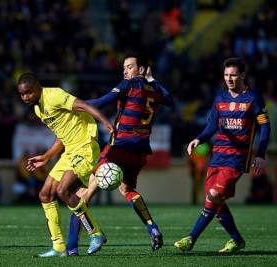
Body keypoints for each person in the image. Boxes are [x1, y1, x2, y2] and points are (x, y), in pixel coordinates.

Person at [66, 53, 174, 256]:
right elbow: (170, 100)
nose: (125, 71)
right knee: (128, 190)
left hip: (119, 148)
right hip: (140, 151)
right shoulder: (154, 89)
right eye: (124, 67)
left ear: (140, 70)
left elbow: (101, 101)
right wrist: (153, 79)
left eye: (130, 67)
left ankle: (73, 245)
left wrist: (70, 105)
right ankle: (152, 227)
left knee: (84, 194)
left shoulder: (129, 85)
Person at [174, 57, 270, 253]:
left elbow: (265, 127)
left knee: (214, 195)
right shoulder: (220, 99)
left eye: (233, 75)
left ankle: (191, 239)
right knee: (216, 202)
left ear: (242, 75)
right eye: (226, 75)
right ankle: (236, 239)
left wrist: (260, 154)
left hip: (237, 158)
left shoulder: (253, 98)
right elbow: (212, 126)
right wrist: (198, 139)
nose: (230, 79)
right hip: (217, 156)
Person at [17, 72, 114, 257]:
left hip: (85, 147)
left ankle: (96, 234)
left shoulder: (54, 95)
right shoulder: (39, 109)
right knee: (45, 194)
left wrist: (105, 123)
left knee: (64, 191)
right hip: (70, 151)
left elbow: (83, 105)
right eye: (22, 94)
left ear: (38, 86)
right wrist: (46, 157)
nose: (25, 97)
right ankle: (59, 246)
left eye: (28, 92)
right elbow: (62, 136)